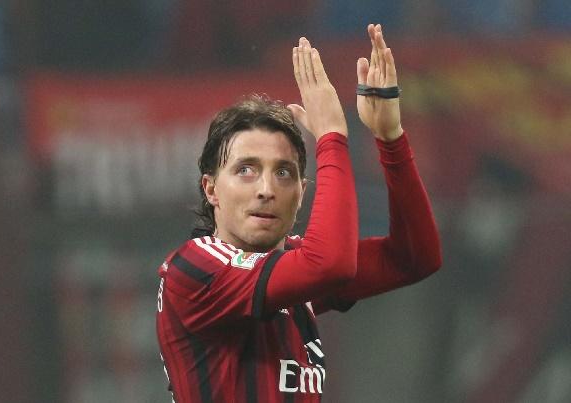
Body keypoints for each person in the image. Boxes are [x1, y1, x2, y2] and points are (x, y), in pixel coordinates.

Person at [156, 23, 442, 402]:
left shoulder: (290, 268)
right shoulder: (196, 269)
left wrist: (390, 140)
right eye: (246, 170)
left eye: (283, 173)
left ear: (302, 192)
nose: (266, 189)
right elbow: (329, 265)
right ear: (211, 189)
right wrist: (331, 136)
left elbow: (414, 258)